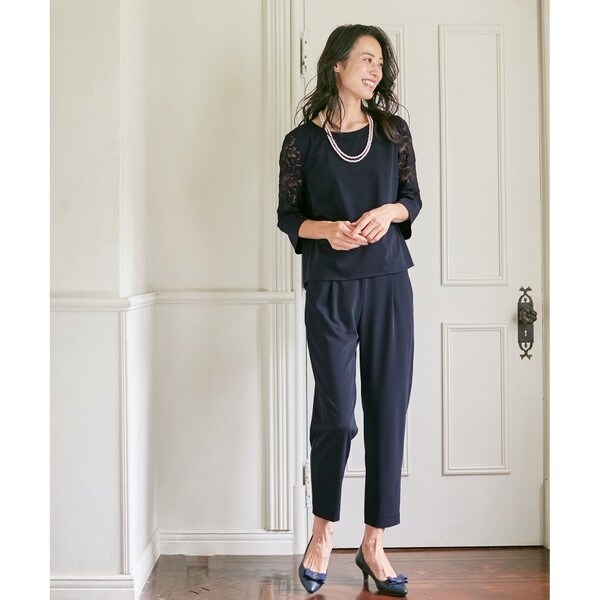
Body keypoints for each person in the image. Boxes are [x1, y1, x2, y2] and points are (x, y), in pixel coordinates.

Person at [277, 24, 422, 597]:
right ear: (336, 64)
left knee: (388, 411)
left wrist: (388, 212)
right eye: (366, 59)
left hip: (389, 284)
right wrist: (327, 230)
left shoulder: (393, 132)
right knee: (336, 415)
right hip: (330, 288)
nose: (375, 70)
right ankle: (321, 534)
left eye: (380, 62)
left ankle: (374, 544)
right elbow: (289, 217)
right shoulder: (301, 143)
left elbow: (412, 200)